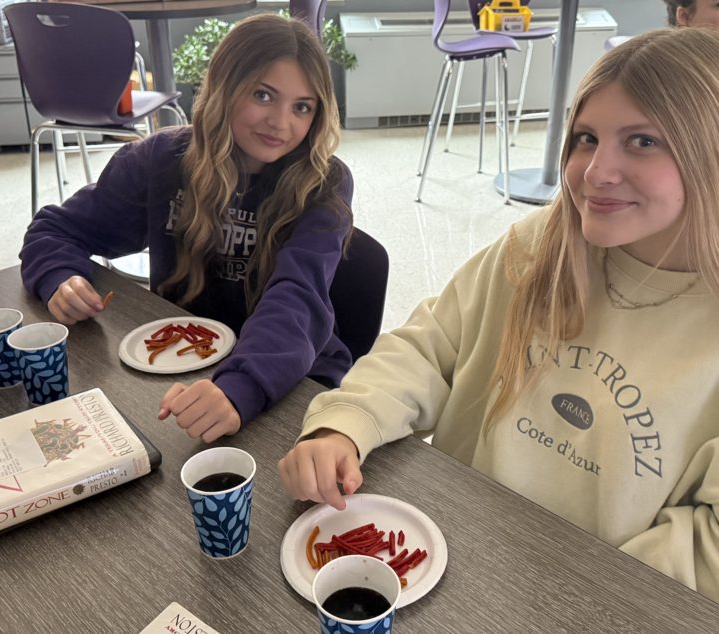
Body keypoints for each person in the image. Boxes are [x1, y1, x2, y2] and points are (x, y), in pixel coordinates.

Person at [279, 27, 719, 601]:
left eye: (641, 142)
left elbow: (706, 545)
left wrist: (584, 593)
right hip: (450, 551)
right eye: (585, 138)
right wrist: (347, 422)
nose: (594, 172)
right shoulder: (541, 244)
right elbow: (429, 347)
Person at [20, 14, 354, 443]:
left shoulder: (323, 183)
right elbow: (56, 230)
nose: (280, 122)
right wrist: (58, 277)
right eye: (262, 95)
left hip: (287, 371)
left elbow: (297, 299)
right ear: (223, 87)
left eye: (302, 107)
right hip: (178, 362)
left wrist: (240, 387)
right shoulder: (160, 160)